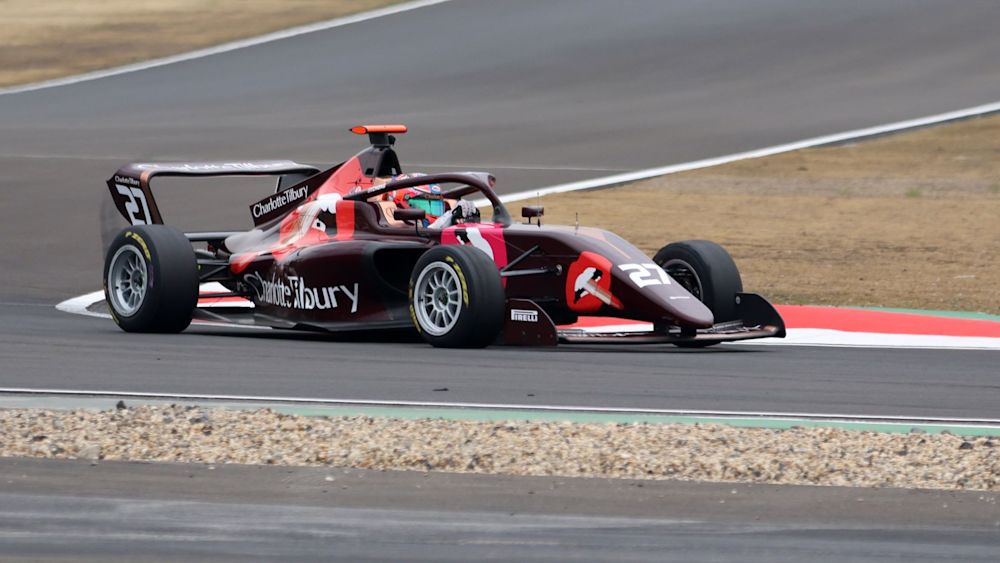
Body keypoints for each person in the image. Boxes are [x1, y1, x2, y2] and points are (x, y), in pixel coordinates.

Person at [383, 175, 480, 228]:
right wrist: (445, 220)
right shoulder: (394, 230)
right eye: (425, 206)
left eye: (436, 206)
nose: (434, 214)